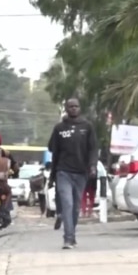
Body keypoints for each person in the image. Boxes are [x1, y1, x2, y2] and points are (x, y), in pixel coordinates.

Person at [47, 98, 98, 249]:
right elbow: (52, 148)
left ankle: (72, 235)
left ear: (79, 108)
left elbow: (93, 149)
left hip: (81, 173)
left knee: (75, 207)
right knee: (67, 204)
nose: (74, 108)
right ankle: (68, 239)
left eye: (76, 106)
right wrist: (53, 174)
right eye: (71, 106)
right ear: (66, 109)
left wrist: (93, 166)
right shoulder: (59, 128)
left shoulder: (87, 127)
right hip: (63, 172)